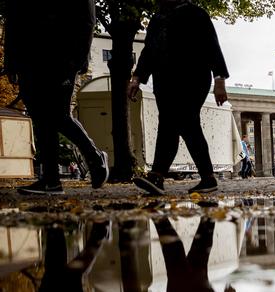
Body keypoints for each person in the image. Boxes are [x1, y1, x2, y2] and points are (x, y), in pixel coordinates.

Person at [4, 0, 110, 195]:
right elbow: (14, 20)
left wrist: (77, 60)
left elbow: (87, 20)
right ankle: (51, 180)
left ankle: (93, 157)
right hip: (30, 60)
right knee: (41, 118)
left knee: (58, 114)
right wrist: (11, 63)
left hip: (61, 59)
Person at [129, 0, 229, 195]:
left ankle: (199, 177)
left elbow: (211, 45)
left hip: (192, 77)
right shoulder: (157, 18)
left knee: (186, 122)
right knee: (168, 124)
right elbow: (149, 50)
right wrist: (136, 77)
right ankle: (160, 177)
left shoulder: (196, 13)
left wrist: (219, 79)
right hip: (164, 81)